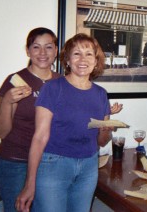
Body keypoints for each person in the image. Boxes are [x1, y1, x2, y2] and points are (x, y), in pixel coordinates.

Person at [15, 33, 116, 212]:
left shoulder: (101, 94)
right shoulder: (53, 88)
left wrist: (105, 131)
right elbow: (39, 137)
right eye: (76, 53)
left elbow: (101, 141)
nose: (82, 59)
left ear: (96, 61)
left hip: (89, 166)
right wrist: (29, 183)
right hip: (54, 165)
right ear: (67, 60)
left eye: (89, 54)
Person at [0, 27, 60, 212]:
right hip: (16, 162)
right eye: (36, 47)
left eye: (48, 47)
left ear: (56, 51)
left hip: (51, 162)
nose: (42, 53)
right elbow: (1, 132)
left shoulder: (62, 82)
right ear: (27, 50)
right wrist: (7, 101)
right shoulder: (14, 80)